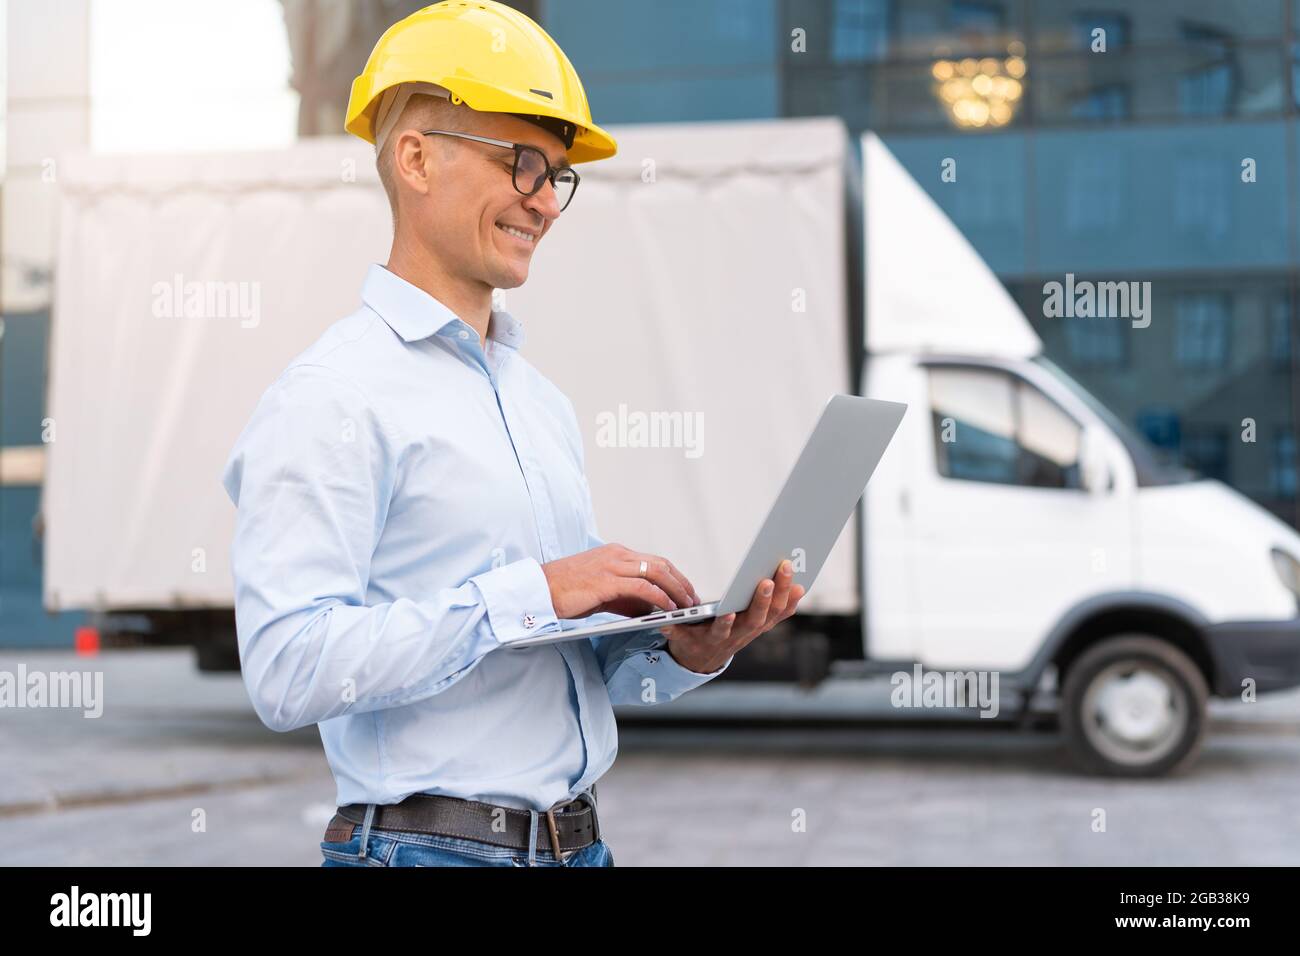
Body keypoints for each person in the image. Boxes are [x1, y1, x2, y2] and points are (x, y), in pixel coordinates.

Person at [220, 0, 803, 868]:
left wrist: (683, 649)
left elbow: (549, 663)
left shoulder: (537, 403)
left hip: (575, 847)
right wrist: (531, 590)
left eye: (557, 176)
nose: (546, 202)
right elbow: (286, 669)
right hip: (425, 854)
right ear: (414, 159)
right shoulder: (331, 395)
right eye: (522, 163)